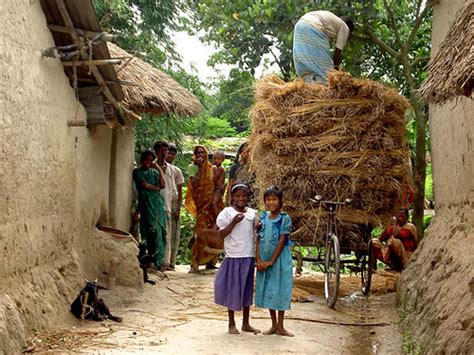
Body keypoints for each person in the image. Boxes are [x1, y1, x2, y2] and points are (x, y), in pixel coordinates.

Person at [214, 183, 260, 335]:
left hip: (248, 255)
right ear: (232, 197)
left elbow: (256, 233)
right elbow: (221, 234)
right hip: (234, 256)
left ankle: (246, 323)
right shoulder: (227, 213)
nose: (241, 199)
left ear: (248, 197)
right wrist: (233, 222)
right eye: (238, 196)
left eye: (244, 196)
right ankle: (231, 323)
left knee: (247, 290)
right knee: (233, 289)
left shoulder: (253, 213)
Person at [255, 186, 294, 337]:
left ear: (280, 201)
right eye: (268, 199)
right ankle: (273, 325)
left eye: (274, 199)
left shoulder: (284, 218)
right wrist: (259, 259)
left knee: (280, 289)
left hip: (279, 260)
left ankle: (281, 325)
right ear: (264, 201)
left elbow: (282, 240)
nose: (271, 202)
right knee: (269, 290)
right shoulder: (263, 217)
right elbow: (258, 238)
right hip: (264, 258)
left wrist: (271, 260)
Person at [293, 10, 354, 84]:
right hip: (313, 27)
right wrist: (336, 73)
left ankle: (308, 82)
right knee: (325, 70)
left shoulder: (332, 23)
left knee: (306, 59)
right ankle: (321, 85)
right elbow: (337, 54)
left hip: (300, 25)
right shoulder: (345, 27)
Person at [184, 145, 219, 272]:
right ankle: (195, 263)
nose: (200, 155)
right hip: (201, 205)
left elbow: (215, 186)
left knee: (212, 232)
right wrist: (199, 169)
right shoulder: (192, 167)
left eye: (203, 152)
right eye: (198, 152)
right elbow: (194, 184)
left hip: (211, 206)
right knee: (200, 234)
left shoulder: (211, 168)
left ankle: (210, 261)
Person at [133, 150, 166, 270]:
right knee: (150, 231)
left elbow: (163, 185)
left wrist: (158, 168)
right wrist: (155, 188)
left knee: (160, 232)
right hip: (146, 203)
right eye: (146, 160)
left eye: (151, 161)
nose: (148, 163)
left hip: (157, 204)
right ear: (142, 160)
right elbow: (144, 185)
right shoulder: (137, 172)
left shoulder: (154, 172)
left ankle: (159, 261)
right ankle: (150, 259)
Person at [165, 144, 185, 270]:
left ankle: (171, 261)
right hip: (163, 202)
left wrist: (178, 208)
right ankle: (164, 261)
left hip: (173, 203)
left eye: (172, 154)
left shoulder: (177, 170)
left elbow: (180, 190)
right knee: (165, 233)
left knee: (174, 234)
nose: (169, 156)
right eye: (168, 153)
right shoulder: (158, 167)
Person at [212, 151, 226, 216]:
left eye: (218, 159)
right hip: (216, 189)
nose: (216, 160)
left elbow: (214, 178)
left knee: (214, 204)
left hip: (218, 189)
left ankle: (218, 219)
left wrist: (212, 171)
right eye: (214, 158)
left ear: (222, 160)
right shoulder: (217, 168)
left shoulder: (220, 169)